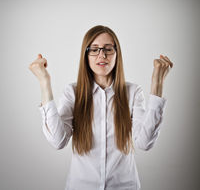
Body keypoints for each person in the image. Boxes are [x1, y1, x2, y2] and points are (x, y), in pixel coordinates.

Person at [29, 25, 173, 190]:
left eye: (108, 49)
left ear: (117, 53)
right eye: (94, 49)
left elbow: (145, 143)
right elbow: (58, 141)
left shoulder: (133, 92)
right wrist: (44, 82)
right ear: (86, 55)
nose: (102, 55)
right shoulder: (73, 92)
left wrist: (157, 83)